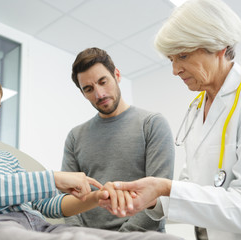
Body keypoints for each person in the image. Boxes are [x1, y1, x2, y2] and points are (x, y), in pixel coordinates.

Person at [0, 69, 182, 240]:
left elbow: (45, 206)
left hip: (39, 226)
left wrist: (94, 198)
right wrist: (52, 179)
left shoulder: (5, 159)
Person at [99, 0, 241, 239]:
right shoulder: (197, 107)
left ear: (218, 46)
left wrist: (166, 188)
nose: (175, 70)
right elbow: (192, 186)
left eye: (182, 56)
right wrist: (152, 199)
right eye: (171, 59)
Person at [61, 47, 175, 232]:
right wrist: (79, 236)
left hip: (141, 236)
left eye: (103, 82)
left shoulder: (152, 124)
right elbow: (67, 198)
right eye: (89, 89)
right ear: (83, 93)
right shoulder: (75, 137)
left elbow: (158, 195)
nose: (100, 94)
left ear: (117, 75)